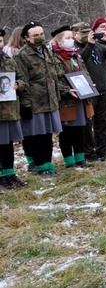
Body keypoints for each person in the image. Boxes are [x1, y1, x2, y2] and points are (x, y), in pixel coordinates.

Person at [15, 22, 69, 175]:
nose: (39, 37)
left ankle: (48, 164)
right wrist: (25, 105)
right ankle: (40, 167)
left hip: (51, 101)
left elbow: (54, 76)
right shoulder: (22, 55)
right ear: (26, 38)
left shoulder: (48, 51)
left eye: (41, 34)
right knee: (37, 136)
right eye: (35, 35)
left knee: (48, 136)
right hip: (34, 103)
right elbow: (22, 81)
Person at [73, 18, 106, 161]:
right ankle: (89, 152)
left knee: (103, 122)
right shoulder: (75, 48)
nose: (87, 35)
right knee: (87, 124)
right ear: (75, 34)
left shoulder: (98, 46)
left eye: (88, 32)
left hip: (101, 89)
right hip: (87, 91)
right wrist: (90, 45)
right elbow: (81, 59)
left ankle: (103, 149)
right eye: (83, 33)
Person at [50, 25, 94, 169]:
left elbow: (84, 72)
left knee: (79, 130)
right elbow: (52, 80)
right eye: (67, 38)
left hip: (80, 99)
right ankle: (69, 161)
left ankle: (80, 159)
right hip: (66, 101)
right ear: (59, 41)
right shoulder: (54, 58)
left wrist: (88, 83)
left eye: (71, 38)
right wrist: (66, 90)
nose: (70, 41)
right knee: (67, 132)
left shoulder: (75, 55)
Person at [0, 27, 26, 188]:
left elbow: (21, 78)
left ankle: (10, 173)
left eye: (0, 40)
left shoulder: (8, 59)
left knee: (7, 143)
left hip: (8, 109)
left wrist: (18, 85)